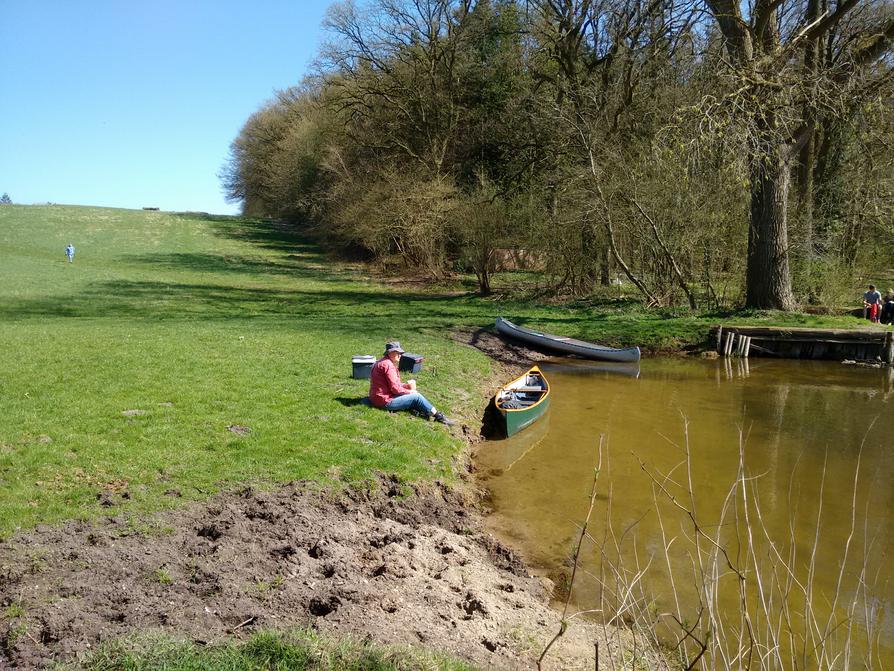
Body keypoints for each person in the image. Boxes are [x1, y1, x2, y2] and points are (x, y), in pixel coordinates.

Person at [369, 341, 455, 425]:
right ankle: (438, 416)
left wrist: (406, 386)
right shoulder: (388, 366)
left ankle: (422, 412)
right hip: (384, 401)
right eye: (397, 352)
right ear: (390, 353)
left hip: (375, 398)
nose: (400, 355)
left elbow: (392, 384)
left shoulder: (382, 362)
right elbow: (395, 389)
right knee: (416, 397)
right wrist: (410, 391)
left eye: (400, 353)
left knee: (412, 396)